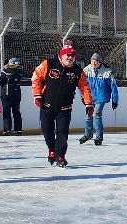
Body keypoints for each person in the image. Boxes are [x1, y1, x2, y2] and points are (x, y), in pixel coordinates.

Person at [32, 40, 94, 168]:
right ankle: (52, 150)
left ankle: (60, 156)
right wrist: (37, 95)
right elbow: (36, 77)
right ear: (62, 55)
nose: (70, 58)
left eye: (73, 56)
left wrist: (88, 103)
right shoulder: (48, 64)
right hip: (46, 105)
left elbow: (84, 87)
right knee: (47, 130)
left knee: (63, 133)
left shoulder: (77, 71)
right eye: (68, 55)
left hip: (65, 108)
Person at [80, 52, 119, 146]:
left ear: (100, 62)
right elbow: (82, 85)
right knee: (88, 115)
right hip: (90, 97)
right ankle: (88, 134)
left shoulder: (107, 72)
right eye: (92, 61)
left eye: (96, 61)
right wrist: (83, 97)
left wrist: (115, 100)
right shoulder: (86, 70)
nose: (94, 63)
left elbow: (113, 87)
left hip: (101, 97)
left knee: (96, 114)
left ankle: (99, 136)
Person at [0, 57, 25, 135]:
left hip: (7, 94)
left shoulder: (5, 71)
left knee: (7, 112)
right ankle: (18, 129)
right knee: (16, 111)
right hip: (17, 94)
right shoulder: (20, 72)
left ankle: (7, 130)